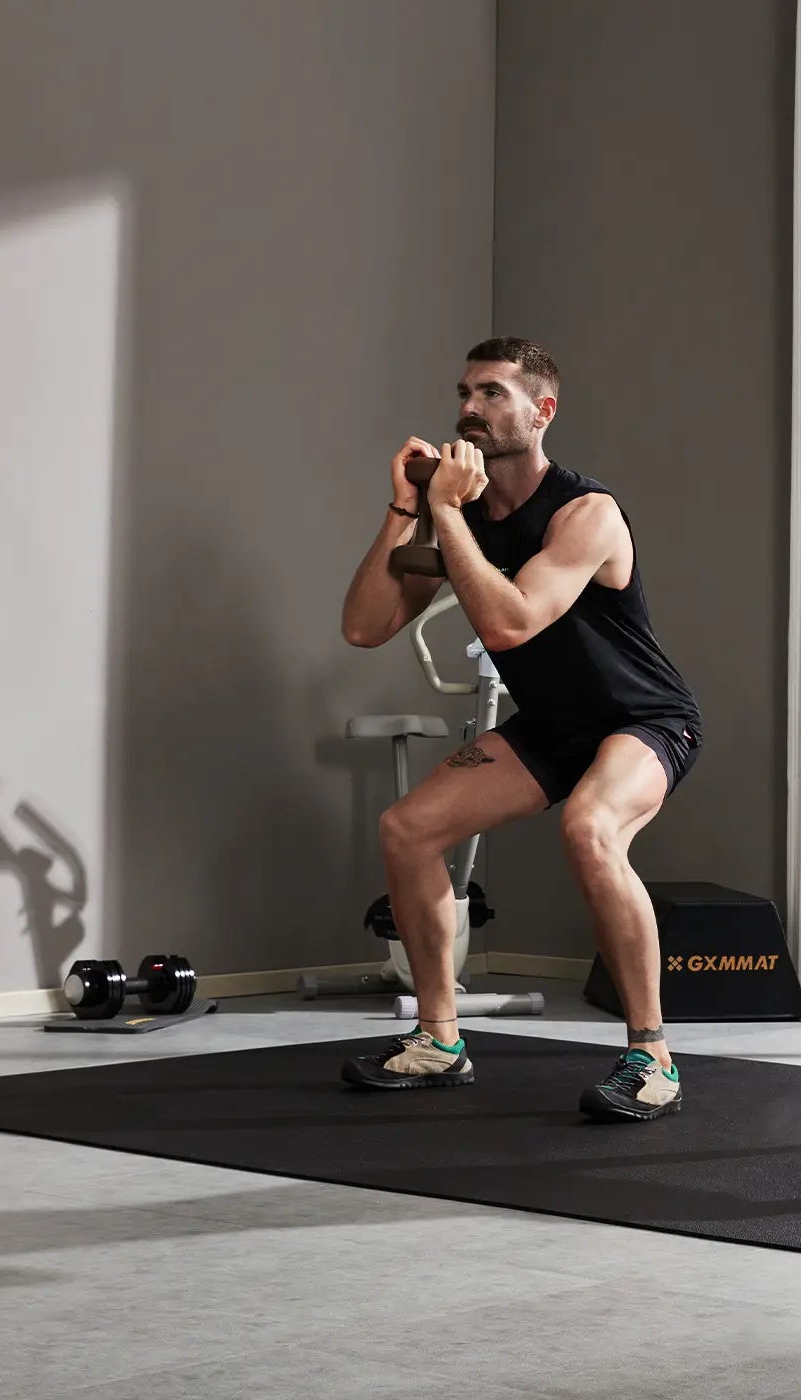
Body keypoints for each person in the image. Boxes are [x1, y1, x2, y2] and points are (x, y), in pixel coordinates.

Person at [336, 337, 702, 1123]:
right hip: (552, 728)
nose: (469, 408)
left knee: (590, 829)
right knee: (407, 830)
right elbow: (365, 627)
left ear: (543, 412)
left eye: (493, 393)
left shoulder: (586, 513)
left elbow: (512, 623)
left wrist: (443, 514)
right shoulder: (462, 517)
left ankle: (654, 1059)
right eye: (465, 393)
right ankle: (440, 1040)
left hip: (644, 719)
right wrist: (405, 508)